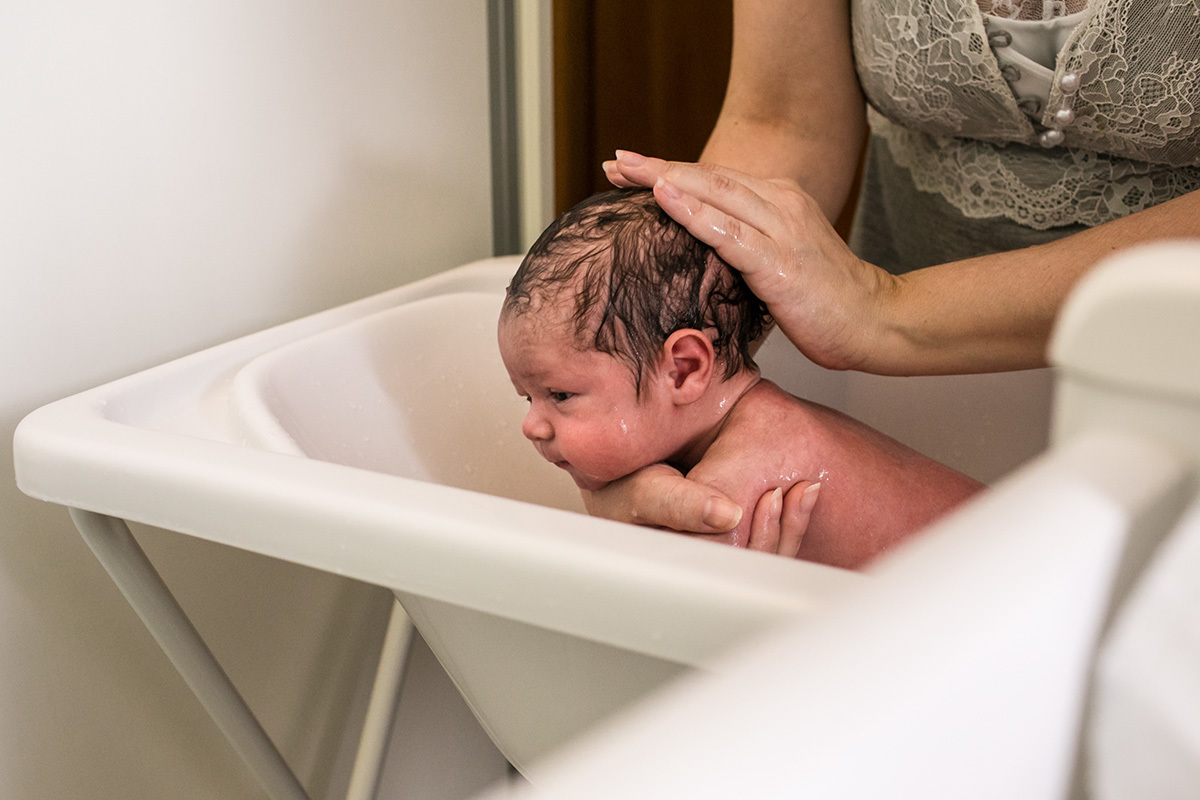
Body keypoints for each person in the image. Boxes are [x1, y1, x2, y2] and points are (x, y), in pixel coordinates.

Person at [589, 0, 1200, 541]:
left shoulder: (874, 317)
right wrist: (648, 404)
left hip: (1174, 380)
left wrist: (886, 308)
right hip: (901, 397)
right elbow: (783, 120)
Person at [498, 188, 983, 567]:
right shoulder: (732, 422)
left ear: (684, 369)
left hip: (1009, 587)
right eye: (528, 398)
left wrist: (609, 506)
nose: (532, 426)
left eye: (559, 395)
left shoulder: (736, 481)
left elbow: (655, 608)